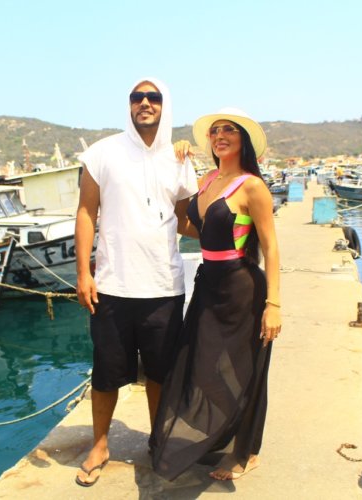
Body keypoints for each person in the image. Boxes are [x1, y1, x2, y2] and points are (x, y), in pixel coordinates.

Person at [73, 77, 198, 487]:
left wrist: (230, 235)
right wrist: (84, 272)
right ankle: (100, 444)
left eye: (153, 97)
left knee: (161, 374)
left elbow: (185, 219)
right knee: (106, 373)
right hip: (113, 286)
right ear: (129, 104)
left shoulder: (179, 159)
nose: (145, 103)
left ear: (165, 105)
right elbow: (86, 212)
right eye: (137, 97)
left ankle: (157, 440)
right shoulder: (101, 153)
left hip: (164, 285)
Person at [151, 108, 282, 481]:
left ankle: (246, 452)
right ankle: (223, 435)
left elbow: (271, 247)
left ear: (244, 139)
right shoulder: (206, 179)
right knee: (200, 365)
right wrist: (177, 163)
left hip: (242, 289)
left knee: (246, 370)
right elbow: (192, 227)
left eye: (229, 130)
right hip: (208, 285)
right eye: (214, 131)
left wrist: (274, 304)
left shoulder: (252, 186)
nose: (220, 136)